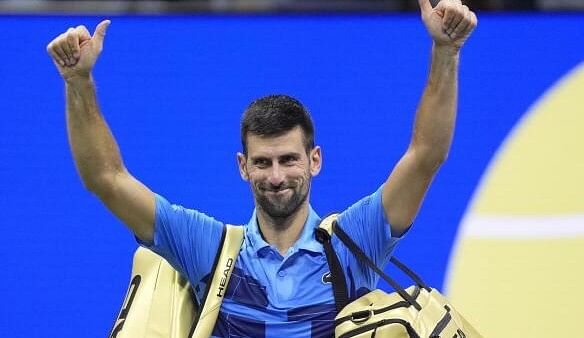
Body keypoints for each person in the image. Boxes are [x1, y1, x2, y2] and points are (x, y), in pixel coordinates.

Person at [46, 0, 476, 336]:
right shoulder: (208, 248)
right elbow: (106, 179)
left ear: (315, 160)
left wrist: (445, 51)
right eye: (262, 162)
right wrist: (77, 82)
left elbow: (425, 156)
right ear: (242, 167)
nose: (275, 176)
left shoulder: (354, 240)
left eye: (289, 159)